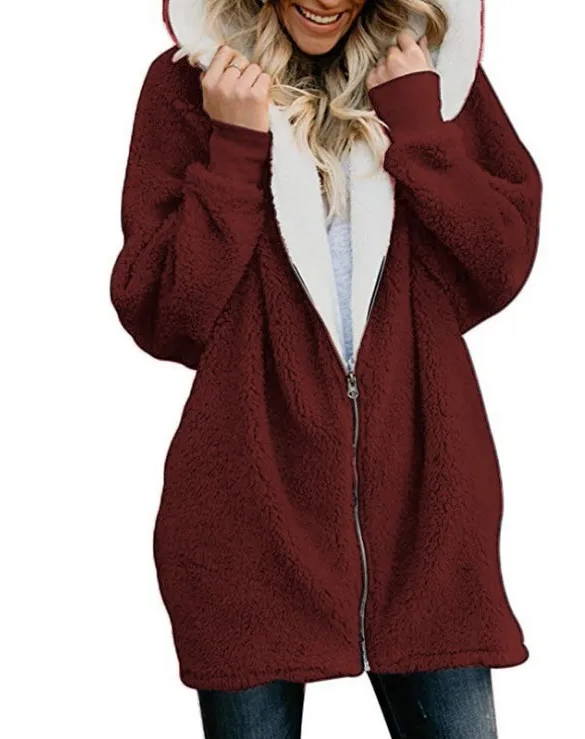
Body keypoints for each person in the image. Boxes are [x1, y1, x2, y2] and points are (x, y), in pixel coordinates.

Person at [109, 0, 542, 735]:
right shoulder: (189, 86)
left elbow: (496, 263)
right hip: (247, 518)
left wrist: (419, 129)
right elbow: (164, 314)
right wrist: (234, 148)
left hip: (427, 510)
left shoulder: (435, 78)